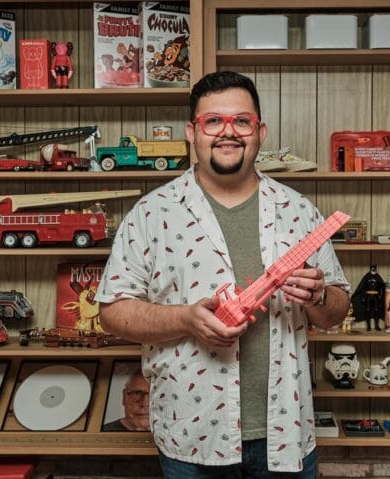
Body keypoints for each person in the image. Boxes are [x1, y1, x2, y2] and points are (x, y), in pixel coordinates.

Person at [97, 70, 350, 476]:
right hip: (191, 435)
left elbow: (337, 310)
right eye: (213, 120)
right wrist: (185, 319)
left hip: (285, 433)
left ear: (260, 131)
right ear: (191, 132)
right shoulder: (151, 214)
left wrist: (320, 296)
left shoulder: (299, 211)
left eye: (242, 121)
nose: (227, 132)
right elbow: (112, 311)